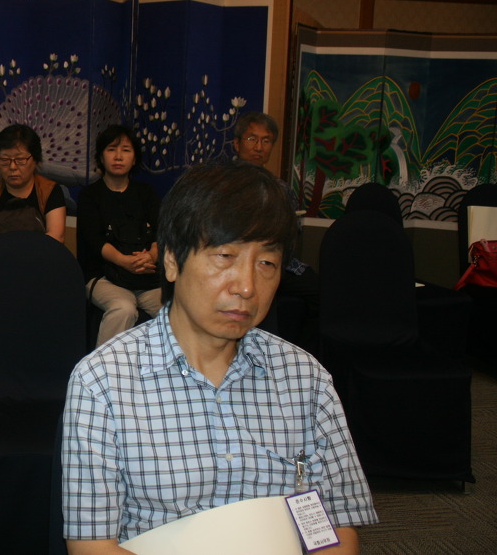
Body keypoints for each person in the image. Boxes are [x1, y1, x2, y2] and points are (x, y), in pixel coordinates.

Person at [62, 160, 376, 553]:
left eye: (266, 263)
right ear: (172, 260)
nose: (247, 286)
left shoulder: (306, 379)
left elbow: (337, 528)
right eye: (225, 256)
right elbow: (92, 546)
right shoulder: (103, 382)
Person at [233, 111, 319, 349]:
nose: (259, 147)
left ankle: (299, 353)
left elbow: (291, 235)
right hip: (235, 261)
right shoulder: (223, 185)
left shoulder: (280, 188)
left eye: (266, 140)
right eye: (252, 139)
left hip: (278, 261)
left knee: (320, 290)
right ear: (237, 144)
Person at [77, 125, 162, 346]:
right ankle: (102, 367)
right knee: (124, 308)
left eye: (125, 150)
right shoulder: (89, 196)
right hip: (103, 276)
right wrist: (125, 262)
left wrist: (151, 256)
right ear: (101, 157)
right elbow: (95, 242)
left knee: (174, 311)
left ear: (134, 159)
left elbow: (161, 233)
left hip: (145, 275)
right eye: (111, 149)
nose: (118, 156)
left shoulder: (147, 193)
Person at [0, 123, 66, 251]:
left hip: (39, 258)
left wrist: (23, 257)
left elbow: (56, 236)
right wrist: (3, 257)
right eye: (5, 160)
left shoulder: (50, 190)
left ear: (35, 160)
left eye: (20, 160)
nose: (12, 167)